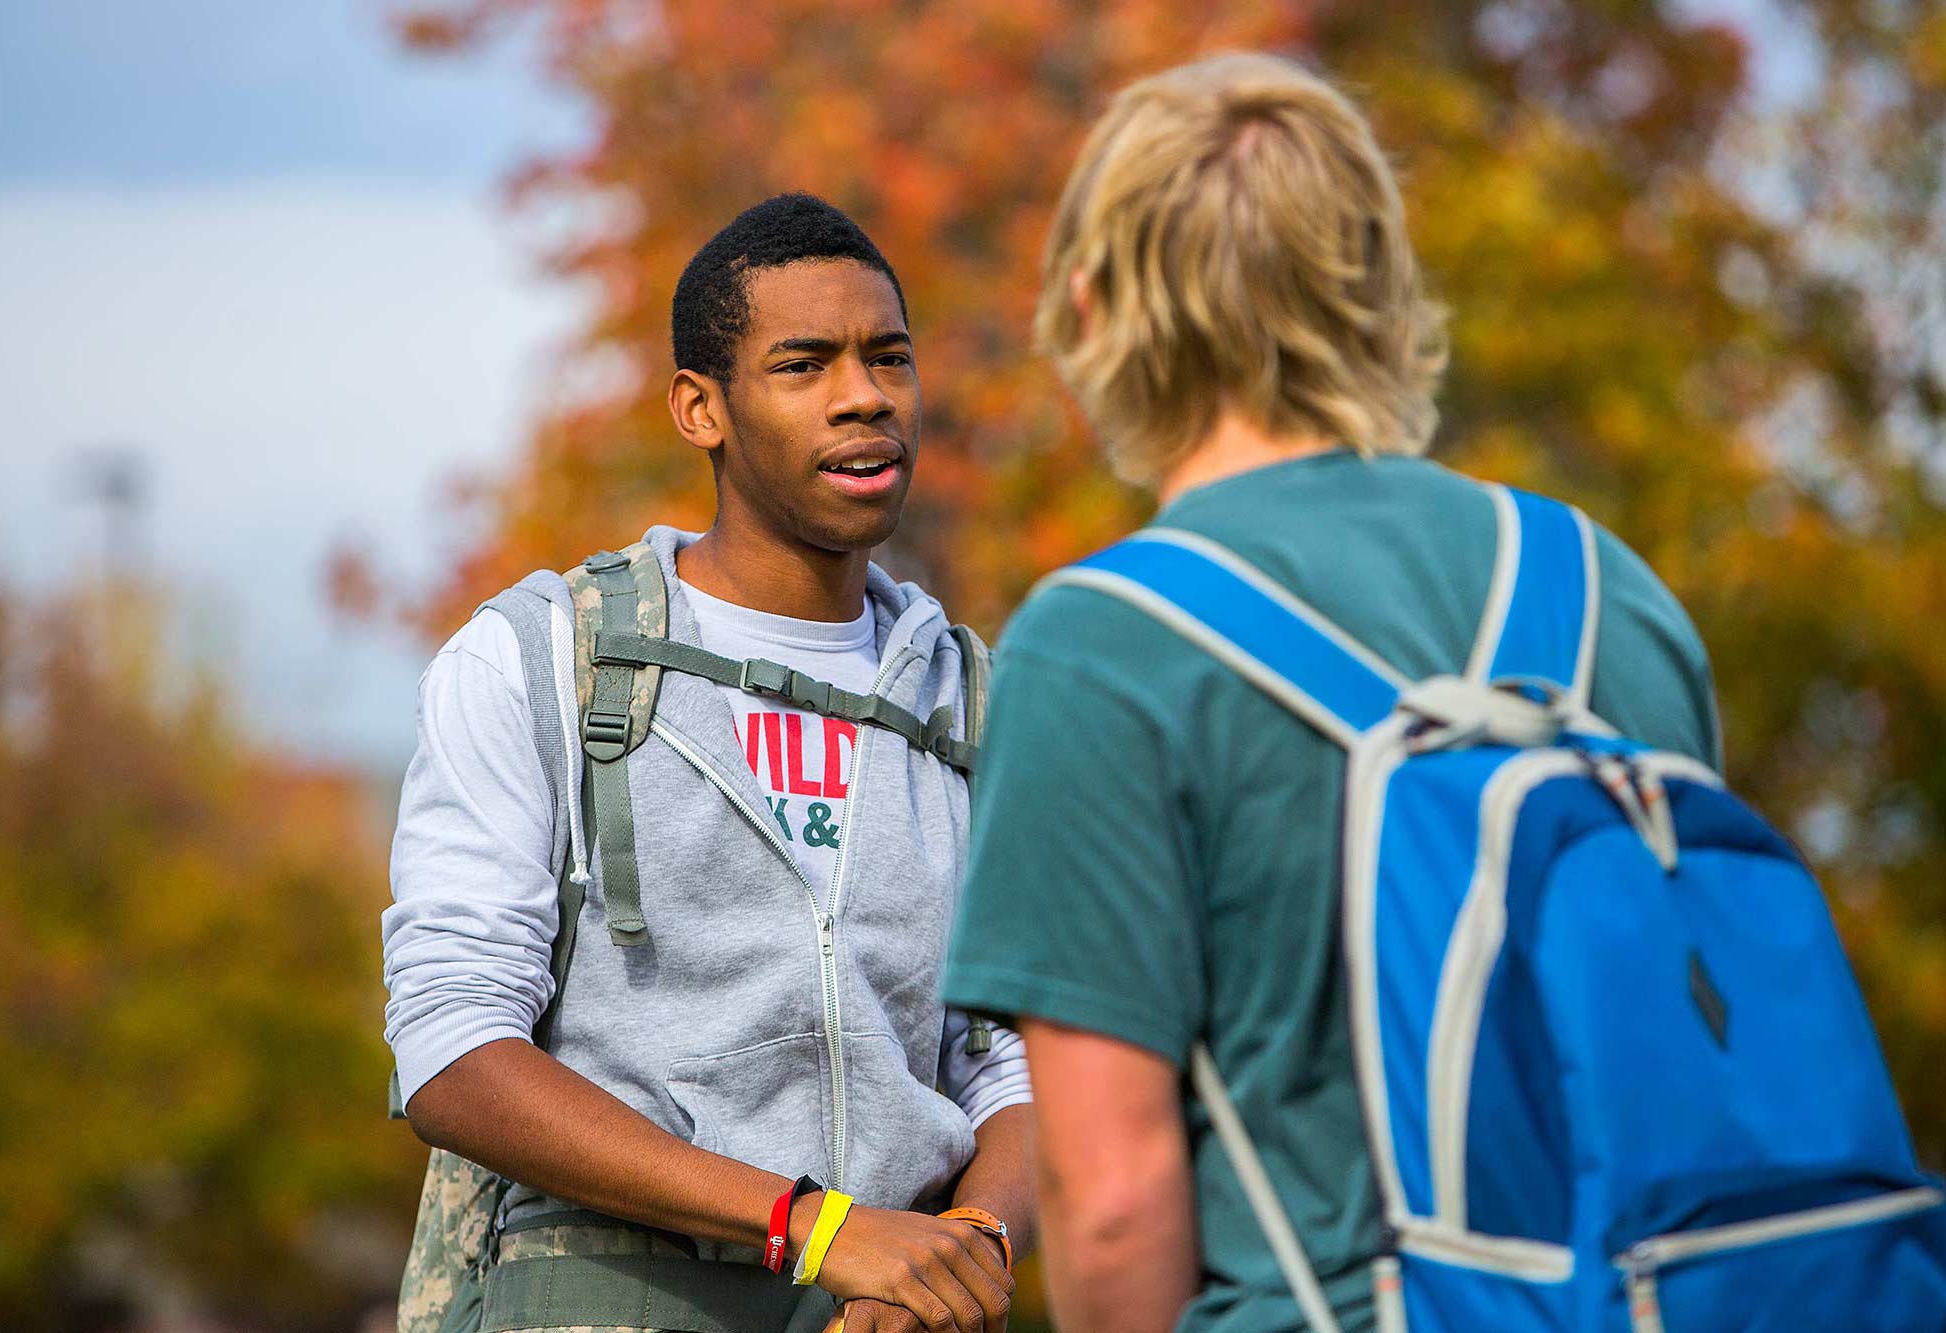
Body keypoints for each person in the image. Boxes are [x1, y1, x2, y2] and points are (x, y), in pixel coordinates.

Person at [940, 54, 1721, 1332]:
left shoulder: (1099, 646)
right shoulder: (1603, 589)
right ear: (1377, 287)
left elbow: (1113, 1194)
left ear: (1089, 302)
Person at [386, 193, 1032, 1333]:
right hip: (611, 1290)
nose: (865, 395)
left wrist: (964, 1251)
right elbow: (450, 1046)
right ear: (700, 408)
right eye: (803, 363)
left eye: (889, 356)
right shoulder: (542, 659)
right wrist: (815, 1226)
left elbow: (1012, 1065)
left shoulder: (974, 698)